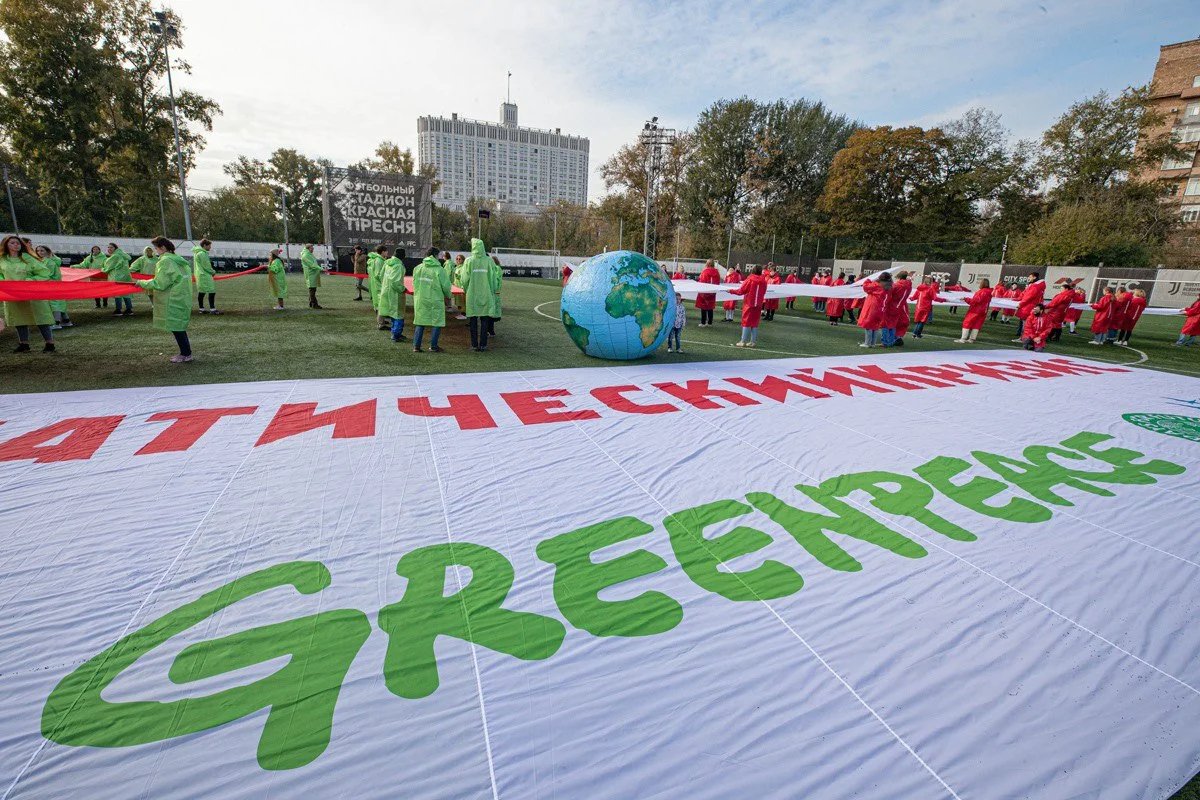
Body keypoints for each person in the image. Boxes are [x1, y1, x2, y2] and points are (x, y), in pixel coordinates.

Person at [135, 237, 193, 362]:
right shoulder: (178, 260)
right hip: (181, 296)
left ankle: (185, 354)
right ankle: (186, 353)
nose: (155, 251)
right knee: (179, 326)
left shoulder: (165, 261)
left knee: (177, 327)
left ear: (163, 248)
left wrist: (141, 283)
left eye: (156, 248)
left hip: (173, 298)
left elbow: (160, 283)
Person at [1, 235, 56, 352]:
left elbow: (44, 272)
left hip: (32, 293)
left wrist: (30, 280)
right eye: (12, 243)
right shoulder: (2, 259)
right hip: (13, 294)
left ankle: (49, 344)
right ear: (6, 245)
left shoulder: (28, 258)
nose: (16, 245)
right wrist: (4, 282)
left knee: (41, 317)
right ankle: (24, 344)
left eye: (18, 243)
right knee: (19, 318)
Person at [461, 238, 499, 351]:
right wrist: (493, 290)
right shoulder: (489, 261)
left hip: (472, 295)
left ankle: (474, 345)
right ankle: (483, 344)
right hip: (486, 294)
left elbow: (464, 279)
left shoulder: (469, 261)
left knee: (473, 321)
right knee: (484, 320)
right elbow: (493, 278)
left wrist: (466, 289)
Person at [411, 247, 453, 352]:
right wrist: (448, 296)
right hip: (435, 299)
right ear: (435, 255)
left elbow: (414, 284)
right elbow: (446, 286)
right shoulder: (440, 270)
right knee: (436, 322)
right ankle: (433, 346)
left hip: (421, 299)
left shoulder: (418, 268)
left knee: (420, 322)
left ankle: (416, 346)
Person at [35, 245, 72, 329]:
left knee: (54, 304)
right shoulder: (48, 260)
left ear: (47, 252)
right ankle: (66, 321)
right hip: (54, 285)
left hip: (52, 285)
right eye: (38, 251)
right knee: (59, 303)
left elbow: (47, 275)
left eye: (42, 251)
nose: (39, 252)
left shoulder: (49, 262)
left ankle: (56, 323)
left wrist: (34, 278)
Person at [731, 265, 768, 347]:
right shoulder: (764, 281)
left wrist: (730, 291)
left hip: (749, 303)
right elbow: (764, 292)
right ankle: (753, 342)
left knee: (746, 322)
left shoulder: (750, 279)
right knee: (754, 323)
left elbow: (741, 291)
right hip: (758, 304)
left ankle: (743, 341)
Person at [379, 249, 407, 342]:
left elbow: (381, 276)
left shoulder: (387, 263)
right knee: (398, 314)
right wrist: (403, 289)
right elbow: (395, 282)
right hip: (395, 294)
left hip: (386, 291)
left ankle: (395, 333)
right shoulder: (399, 266)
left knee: (392, 313)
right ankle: (396, 335)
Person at [857, 272, 891, 348]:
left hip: (873, 307)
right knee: (875, 326)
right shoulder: (889, 287)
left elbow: (866, 287)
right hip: (881, 308)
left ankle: (867, 343)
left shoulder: (877, 285)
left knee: (868, 325)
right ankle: (873, 343)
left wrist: (869, 279)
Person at [102, 242, 134, 316]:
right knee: (126, 293)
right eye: (108, 247)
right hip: (126, 277)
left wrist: (102, 269)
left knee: (118, 293)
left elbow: (107, 268)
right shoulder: (123, 255)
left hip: (117, 277)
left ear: (115, 248)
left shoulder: (115, 256)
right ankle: (129, 309)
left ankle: (118, 310)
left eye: (111, 247)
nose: (109, 249)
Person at [883, 270, 912, 347]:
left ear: (899, 277)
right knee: (897, 323)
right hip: (902, 305)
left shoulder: (896, 285)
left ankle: (888, 340)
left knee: (887, 324)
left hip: (892, 306)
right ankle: (896, 338)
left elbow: (888, 293)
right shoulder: (909, 285)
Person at [1012, 272, 1045, 341]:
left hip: (1028, 307)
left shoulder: (1035, 286)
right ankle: (1026, 338)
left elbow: (1028, 297)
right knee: (1028, 324)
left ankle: (1024, 338)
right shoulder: (1037, 286)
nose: (1028, 278)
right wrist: (1018, 299)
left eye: (1030, 277)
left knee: (1026, 324)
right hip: (1031, 306)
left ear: (1034, 277)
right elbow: (1025, 294)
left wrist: (1020, 304)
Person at [193, 239, 219, 315]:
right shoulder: (202, 254)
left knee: (201, 291)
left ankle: (201, 309)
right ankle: (212, 309)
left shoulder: (197, 253)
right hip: (205, 275)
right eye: (209, 245)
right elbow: (206, 266)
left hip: (200, 274)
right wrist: (213, 272)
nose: (210, 247)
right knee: (211, 291)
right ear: (204, 245)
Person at [368, 245, 389, 329]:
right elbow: (379, 274)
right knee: (381, 304)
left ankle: (381, 320)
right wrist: (385, 282)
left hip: (375, 285)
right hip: (379, 286)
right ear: (383, 252)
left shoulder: (376, 259)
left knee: (378, 303)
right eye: (386, 251)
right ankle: (381, 324)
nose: (387, 252)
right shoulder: (379, 261)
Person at [80, 244, 109, 308]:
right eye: (94, 249)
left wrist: (102, 270)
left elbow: (107, 266)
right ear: (92, 250)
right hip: (93, 276)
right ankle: (98, 304)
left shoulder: (104, 258)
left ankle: (105, 304)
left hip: (102, 276)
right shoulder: (89, 258)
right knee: (96, 290)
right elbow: (83, 265)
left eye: (96, 249)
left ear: (99, 250)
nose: (95, 250)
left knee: (104, 290)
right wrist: (74, 266)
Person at [695, 259, 720, 326]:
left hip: (705, 291)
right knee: (710, 307)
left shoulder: (705, 271)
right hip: (712, 291)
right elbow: (718, 282)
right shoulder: (716, 272)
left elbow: (702, 281)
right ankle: (710, 322)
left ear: (707, 264)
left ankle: (703, 322)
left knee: (703, 307)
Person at [301, 244, 325, 309]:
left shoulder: (309, 254)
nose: (313, 249)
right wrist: (321, 268)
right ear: (308, 248)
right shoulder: (306, 255)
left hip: (313, 274)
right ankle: (314, 304)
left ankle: (311, 303)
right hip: (310, 274)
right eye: (312, 248)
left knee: (313, 289)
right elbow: (312, 265)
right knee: (312, 290)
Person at [487, 256, 503, 338]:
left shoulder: (496, 268)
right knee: (490, 313)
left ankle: (490, 331)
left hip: (493, 293)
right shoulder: (493, 268)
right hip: (492, 293)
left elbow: (496, 281)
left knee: (490, 313)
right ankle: (490, 331)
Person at [452, 254, 467, 319]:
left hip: (461, 287)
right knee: (458, 301)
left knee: (462, 301)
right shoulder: (457, 267)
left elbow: (464, 277)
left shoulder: (463, 267)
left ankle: (464, 314)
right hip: (456, 286)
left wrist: (458, 276)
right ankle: (461, 313)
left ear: (463, 260)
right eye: (457, 259)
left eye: (459, 259)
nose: (458, 260)